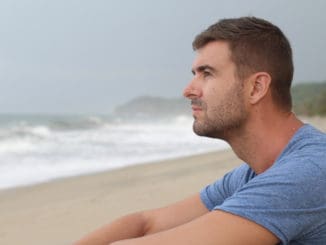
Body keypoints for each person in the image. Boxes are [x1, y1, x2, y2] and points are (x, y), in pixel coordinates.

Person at [74, 16, 326, 245]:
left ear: (256, 88)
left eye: (207, 74)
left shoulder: (308, 172)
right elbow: (145, 223)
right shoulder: (251, 175)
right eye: (195, 74)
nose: (188, 90)